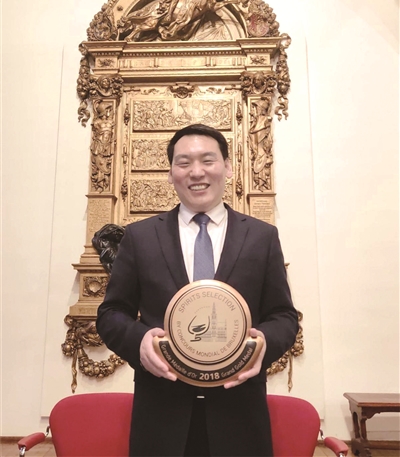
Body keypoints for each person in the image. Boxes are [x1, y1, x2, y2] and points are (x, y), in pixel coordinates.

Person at [96, 124, 298, 457]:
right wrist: (139, 342)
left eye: (207, 160)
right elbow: (111, 313)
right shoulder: (140, 237)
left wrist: (264, 344)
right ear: (171, 172)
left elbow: (284, 316)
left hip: (240, 415)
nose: (197, 172)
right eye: (184, 162)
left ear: (228, 167)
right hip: (161, 417)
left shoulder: (262, 237)